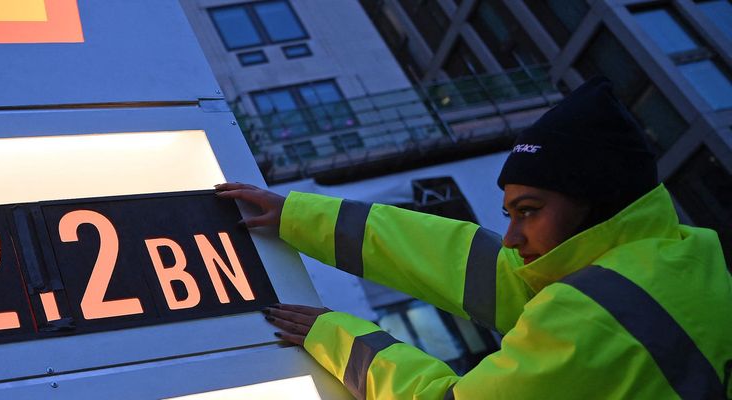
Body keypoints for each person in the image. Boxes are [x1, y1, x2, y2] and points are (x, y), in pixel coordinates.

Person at [216, 77, 731, 399]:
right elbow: (469, 262)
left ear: (597, 198)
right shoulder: (683, 257)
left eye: (528, 212)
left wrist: (334, 333)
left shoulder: (592, 315)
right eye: (509, 213)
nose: (511, 238)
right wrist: (299, 215)